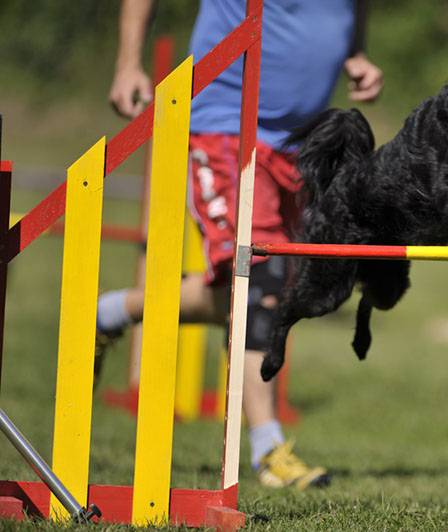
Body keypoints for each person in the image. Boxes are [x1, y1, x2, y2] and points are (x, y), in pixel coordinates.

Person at [98, 0, 383, 489]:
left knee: (265, 292)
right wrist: (127, 63)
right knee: (261, 280)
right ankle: (268, 450)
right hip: (228, 123)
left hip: (302, 141)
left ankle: (112, 311)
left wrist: (354, 51)